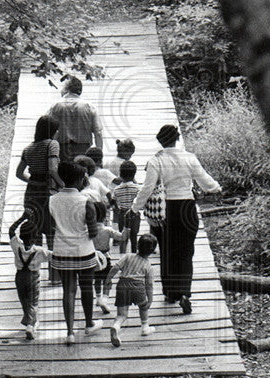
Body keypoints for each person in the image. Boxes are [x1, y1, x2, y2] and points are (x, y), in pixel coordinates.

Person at [130, 123, 221, 314]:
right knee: (186, 251)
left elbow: (147, 188)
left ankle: (171, 292)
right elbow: (204, 180)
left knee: (167, 251)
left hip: (165, 210)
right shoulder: (189, 158)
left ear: (161, 142)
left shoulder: (156, 161)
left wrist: (135, 207)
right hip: (187, 208)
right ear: (177, 138)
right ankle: (186, 293)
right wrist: (215, 188)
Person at [48, 160, 104, 345]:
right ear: (79, 180)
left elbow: (50, 225)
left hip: (62, 251)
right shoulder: (86, 202)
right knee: (86, 287)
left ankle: (70, 332)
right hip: (83, 251)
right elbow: (93, 231)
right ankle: (89, 324)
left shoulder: (52, 200)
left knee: (68, 291)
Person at [15, 114, 62, 248]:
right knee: (51, 230)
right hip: (48, 191)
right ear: (53, 131)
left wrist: (33, 182)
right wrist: (62, 185)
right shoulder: (52, 144)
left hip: (31, 193)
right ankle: (53, 266)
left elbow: (18, 173)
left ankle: (36, 267)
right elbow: (53, 170)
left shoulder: (28, 148)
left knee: (35, 231)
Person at [104, 233, 158, 347]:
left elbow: (115, 268)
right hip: (138, 287)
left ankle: (116, 326)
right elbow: (149, 285)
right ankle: (145, 327)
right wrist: (150, 300)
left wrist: (108, 279)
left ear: (138, 245)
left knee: (122, 315)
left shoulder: (128, 256)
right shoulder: (148, 266)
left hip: (122, 285)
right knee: (143, 307)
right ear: (152, 251)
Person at [8, 210, 50, 339]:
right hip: (33, 277)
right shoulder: (39, 251)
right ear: (34, 237)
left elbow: (11, 230)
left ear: (21, 235)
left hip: (19, 277)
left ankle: (29, 321)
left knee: (24, 301)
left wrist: (22, 218)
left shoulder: (17, 246)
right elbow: (55, 256)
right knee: (33, 302)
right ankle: (31, 326)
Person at [48, 76, 104, 162]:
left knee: (63, 173)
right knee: (82, 172)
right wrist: (99, 157)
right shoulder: (89, 107)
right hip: (83, 149)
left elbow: (47, 130)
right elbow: (98, 132)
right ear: (80, 91)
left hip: (62, 149)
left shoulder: (55, 106)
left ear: (66, 89)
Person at [91, 201, 127, 314]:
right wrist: (127, 228)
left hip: (93, 258)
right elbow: (122, 237)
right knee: (107, 280)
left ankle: (97, 298)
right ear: (104, 216)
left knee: (96, 279)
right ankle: (105, 299)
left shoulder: (88, 231)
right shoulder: (107, 230)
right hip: (105, 258)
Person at [112, 159, 141, 253]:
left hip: (122, 214)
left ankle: (122, 255)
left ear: (120, 174)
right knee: (134, 236)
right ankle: (133, 254)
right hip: (134, 214)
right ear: (134, 174)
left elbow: (114, 202)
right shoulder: (137, 188)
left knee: (123, 237)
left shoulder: (116, 189)